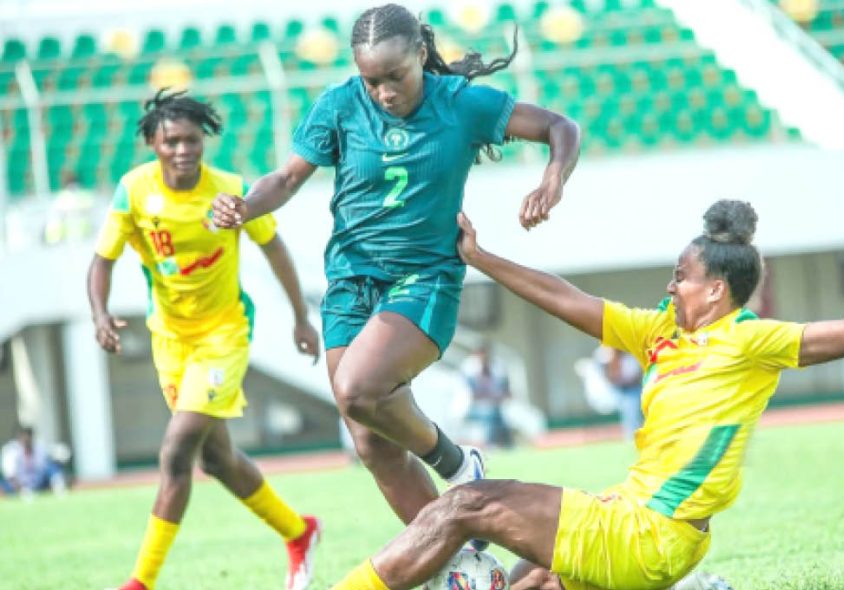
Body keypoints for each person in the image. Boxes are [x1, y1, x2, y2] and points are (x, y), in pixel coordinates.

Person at [327, 200, 844, 590]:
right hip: (631, 519)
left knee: (464, 505)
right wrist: (480, 259)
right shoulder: (661, 334)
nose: (670, 285)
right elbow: (564, 298)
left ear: (716, 290)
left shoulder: (750, 339)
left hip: (651, 535)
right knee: (532, 576)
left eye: (681, 276)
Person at [211, 1, 580, 548]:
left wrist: (553, 180)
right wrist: (245, 204)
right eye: (371, 80)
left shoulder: (461, 104)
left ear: (421, 55)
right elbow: (286, 178)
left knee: (358, 389)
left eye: (395, 77)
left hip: (424, 279)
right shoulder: (338, 105)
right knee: (370, 441)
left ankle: (457, 465)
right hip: (349, 283)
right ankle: (455, 562)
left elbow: (558, 126)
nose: (383, 91)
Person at [87, 89, 323, 590]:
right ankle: (299, 532)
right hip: (169, 341)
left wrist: (301, 318)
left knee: (176, 453)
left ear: (204, 142)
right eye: (171, 140)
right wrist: (100, 313)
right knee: (217, 460)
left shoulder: (229, 190)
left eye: (192, 140)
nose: (183, 149)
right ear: (153, 142)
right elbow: (101, 261)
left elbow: (275, 248)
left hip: (224, 335)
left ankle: (140, 582)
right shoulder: (133, 192)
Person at [460, 342, 513, 449]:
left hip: (496, 405)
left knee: (503, 418)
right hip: (471, 407)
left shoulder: (496, 366)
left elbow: (506, 390)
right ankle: (490, 445)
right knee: (490, 413)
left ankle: (508, 446)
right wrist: (494, 397)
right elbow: (474, 394)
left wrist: (500, 396)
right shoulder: (469, 367)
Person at [0, 426, 68, 496]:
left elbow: (51, 465)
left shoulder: (40, 448)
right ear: (19, 438)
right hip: (19, 484)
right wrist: (22, 489)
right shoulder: (11, 451)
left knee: (52, 467)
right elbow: (10, 476)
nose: (27, 440)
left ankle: (59, 487)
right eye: (24, 438)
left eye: (29, 438)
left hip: (38, 482)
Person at [595, 344, 644, 439]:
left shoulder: (633, 353)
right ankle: (632, 435)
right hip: (613, 390)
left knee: (631, 402)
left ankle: (634, 435)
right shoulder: (605, 354)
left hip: (634, 388)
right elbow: (607, 376)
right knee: (629, 403)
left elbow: (637, 375)